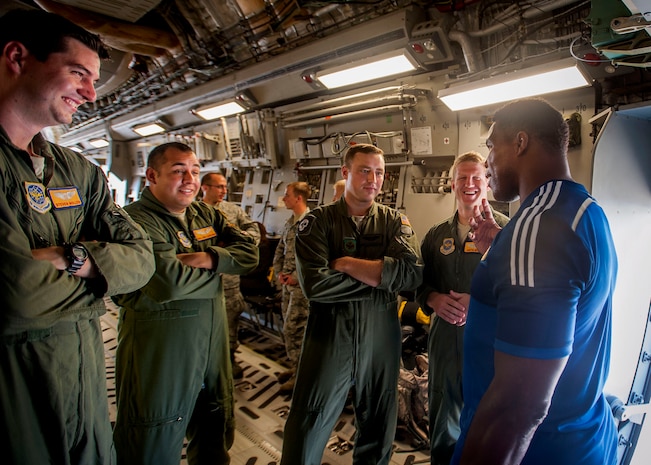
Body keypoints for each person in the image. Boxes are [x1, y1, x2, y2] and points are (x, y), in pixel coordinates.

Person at [0, 9, 156, 464]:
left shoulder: (78, 171)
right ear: (17, 57)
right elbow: (15, 299)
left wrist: (69, 258)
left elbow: (142, 259)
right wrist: (99, 281)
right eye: (78, 74)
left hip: (85, 394)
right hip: (16, 396)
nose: (91, 93)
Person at [451, 98, 618, 465]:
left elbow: (518, 406)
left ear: (520, 143)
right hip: (581, 436)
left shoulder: (539, 228)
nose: (487, 162)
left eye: (492, 147)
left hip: (537, 450)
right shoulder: (585, 211)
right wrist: (503, 248)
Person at [112, 142, 258, 465]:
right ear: (151, 175)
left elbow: (250, 254)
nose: (189, 179)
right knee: (152, 441)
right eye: (178, 171)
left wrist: (208, 257)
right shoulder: (135, 221)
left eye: (194, 171)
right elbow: (168, 282)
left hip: (211, 348)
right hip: (162, 353)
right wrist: (220, 270)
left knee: (214, 436)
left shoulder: (203, 213)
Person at [281, 143, 423, 465]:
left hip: (380, 337)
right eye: (364, 170)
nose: (373, 179)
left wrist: (344, 264)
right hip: (330, 335)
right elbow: (316, 285)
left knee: (378, 422)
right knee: (308, 421)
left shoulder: (393, 222)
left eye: (379, 172)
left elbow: (412, 275)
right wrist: (381, 282)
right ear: (345, 173)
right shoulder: (317, 223)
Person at [417, 152, 509, 465]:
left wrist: (479, 303)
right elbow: (420, 283)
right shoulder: (435, 235)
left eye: (476, 178)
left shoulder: (507, 233)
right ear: (453, 184)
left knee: (487, 424)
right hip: (443, 341)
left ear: (487, 183)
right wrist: (433, 299)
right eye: (462, 178)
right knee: (442, 421)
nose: (469, 184)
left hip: (488, 345)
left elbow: (518, 294)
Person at [200, 172, 260, 378]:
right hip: (200, 283)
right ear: (205, 187)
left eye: (225, 187)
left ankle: (229, 360)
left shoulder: (232, 211)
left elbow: (253, 232)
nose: (224, 191)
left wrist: (237, 242)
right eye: (219, 187)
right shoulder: (193, 212)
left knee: (230, 325)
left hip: (229, 283)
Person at [272, 181, 311, 394]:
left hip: (300, 288)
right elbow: (280, 249)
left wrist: (296, 277)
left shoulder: (310, 223)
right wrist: (279, 272)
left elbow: (314, 259)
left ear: (298, 198)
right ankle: (295, 366)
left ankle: (300, 375)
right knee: (288, 327)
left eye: (287, 195)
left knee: (294, 329)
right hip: (287, 285)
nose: (284, 199)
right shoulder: (290, 222)